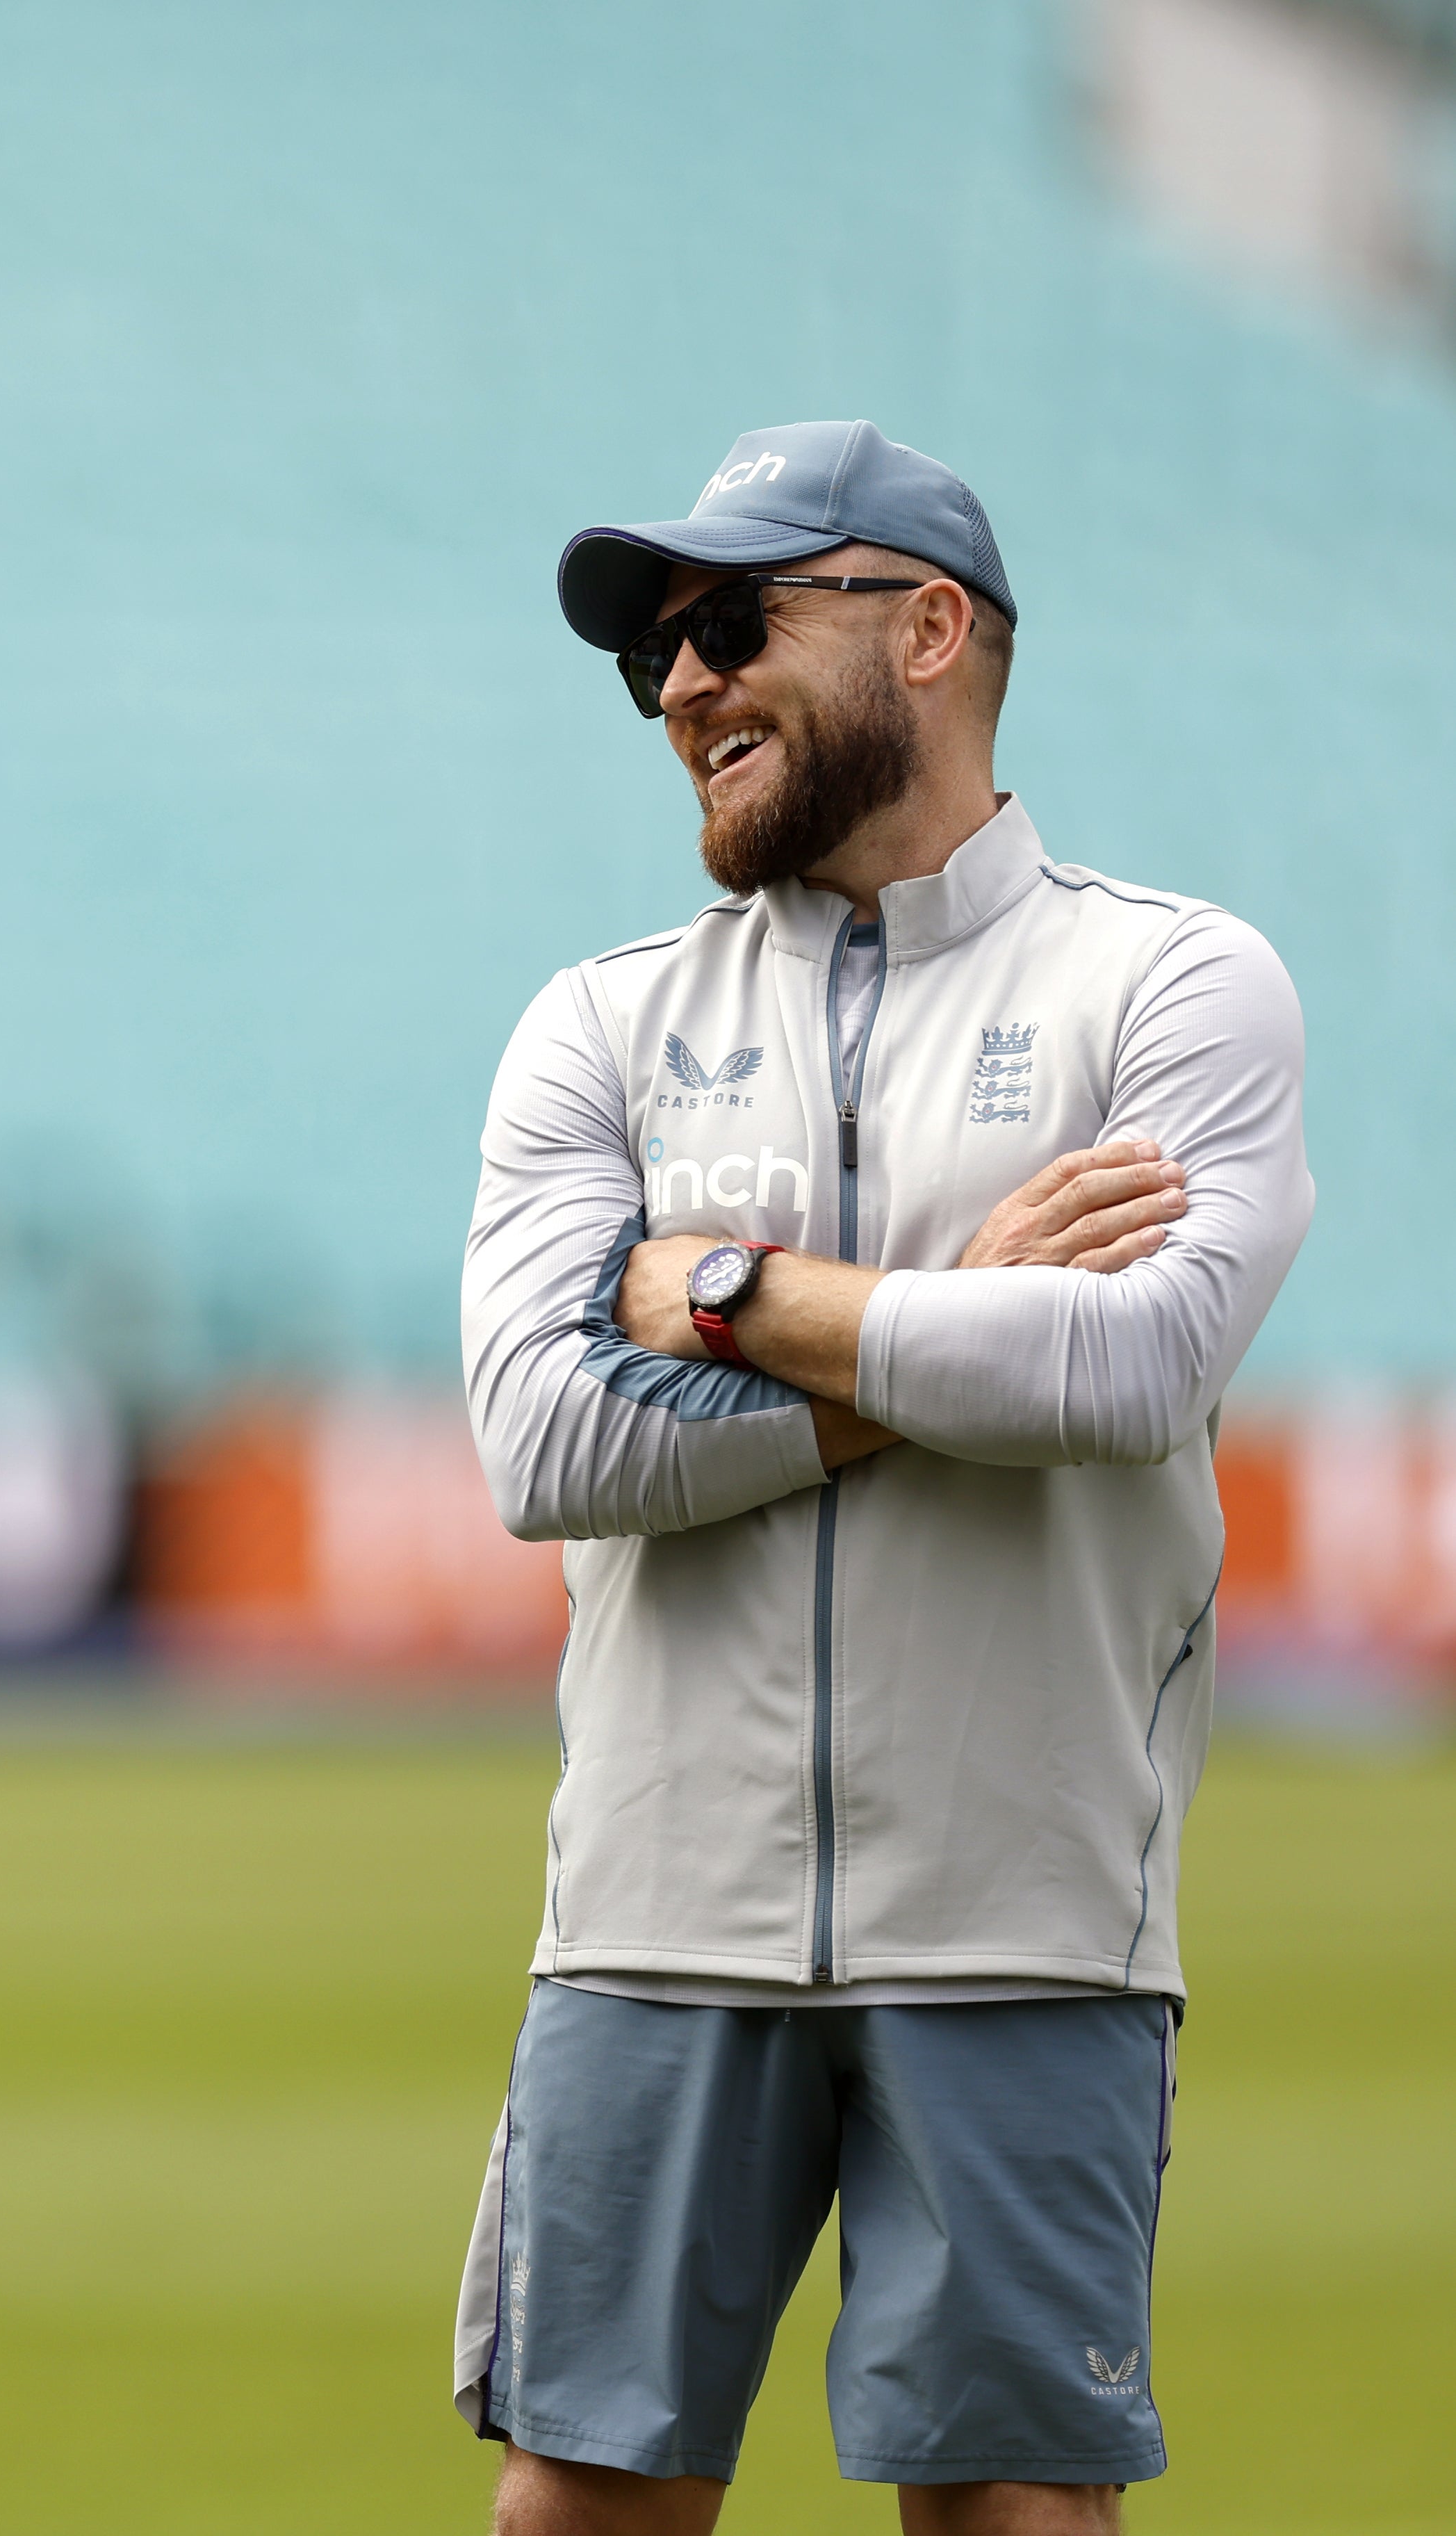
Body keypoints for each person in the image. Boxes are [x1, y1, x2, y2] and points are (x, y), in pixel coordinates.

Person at [455, 421, 1311, 2535]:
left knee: (1012, 2516)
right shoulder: (597, 1022)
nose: (678, 686)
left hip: (1024, 1917)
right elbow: (542, 1440)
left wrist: (723, 1291)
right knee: (583, 2509)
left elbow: (1123, 1367)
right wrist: (934, 1329)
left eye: (730, 623)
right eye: (655, 649)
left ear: (926, 631)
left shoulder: (1175, 982)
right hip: (654, 1914)